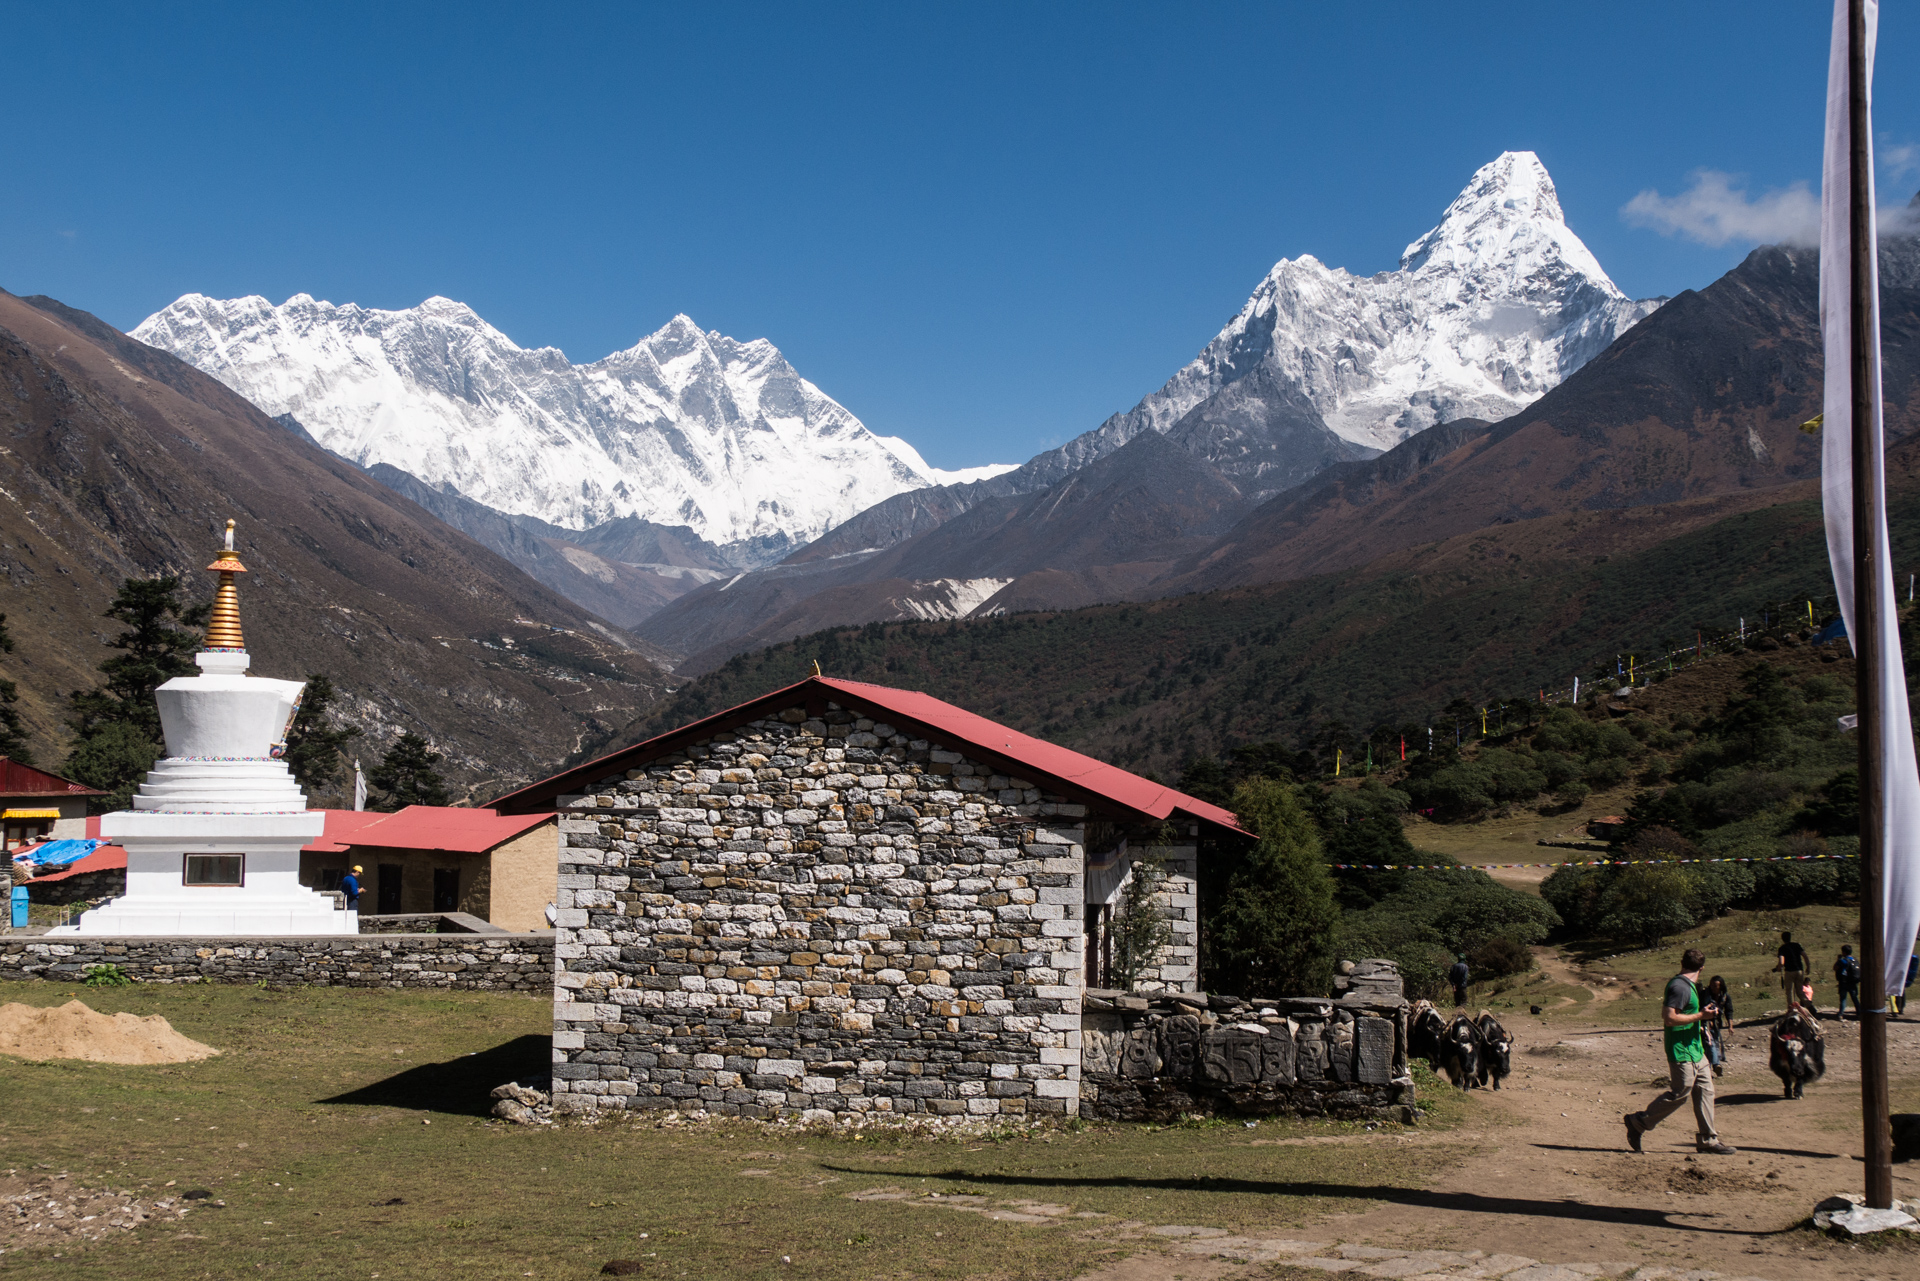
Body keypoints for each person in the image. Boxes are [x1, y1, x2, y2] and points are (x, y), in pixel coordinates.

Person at [1624, 947, 1737, 1156]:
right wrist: (1701, 1016)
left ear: (1681, 962)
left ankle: (1708, 1141)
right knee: (1680, 1093)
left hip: (1695, 1050)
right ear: (1702, 968)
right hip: (1681, 1050)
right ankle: (1638, 1122)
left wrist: (1704, 1016)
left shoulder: (1690, 986)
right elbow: (1669, 1018)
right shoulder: (1680, 987)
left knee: (1705, 1091)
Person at [1773, 931, 1809, 1012]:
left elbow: (1782, 962)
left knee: (1789, 992)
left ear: (1782, 939)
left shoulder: (1782, 948)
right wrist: (1808, 967)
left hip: (1789, 971)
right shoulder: (1797, 945)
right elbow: (1805, 956)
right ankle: (1810, 1006)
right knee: (1800, 991)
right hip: (1799, 970)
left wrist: (1778, 968)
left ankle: (1792, 1010)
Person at [1832, 946, 1861, 1020]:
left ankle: (1840, 1014)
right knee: (1855, 998)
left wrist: (1838, 959)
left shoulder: (1843, 961)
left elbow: (1835, 968)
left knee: (1843, 999)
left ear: (1843, 952)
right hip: (1853, 982)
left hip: (1844, 982)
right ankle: (1859, 1013)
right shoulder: (1855, 960)